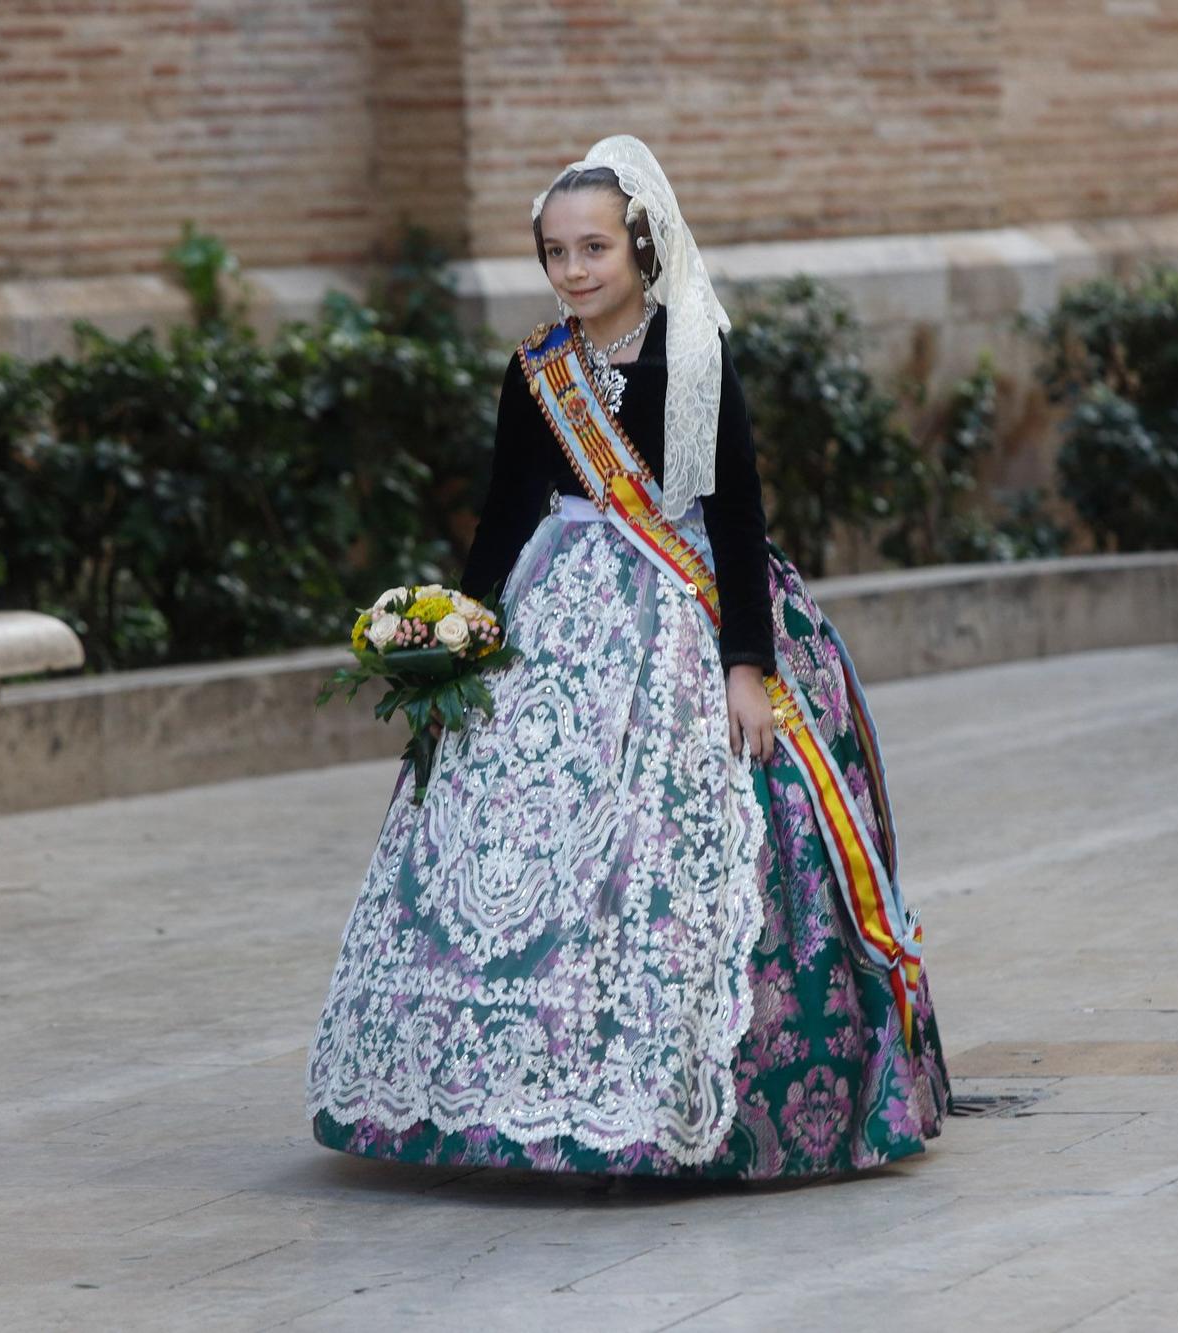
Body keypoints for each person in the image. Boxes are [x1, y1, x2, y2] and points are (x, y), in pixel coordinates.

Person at [304, 135, 948, 1179]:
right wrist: (456, 642)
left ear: (642, 245)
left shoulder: (692, 354)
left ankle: (678, 1095)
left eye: (594, 247)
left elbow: (733, 514)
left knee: (663, 847)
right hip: (554, 619)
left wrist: (747, 666)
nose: (574, 270)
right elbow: (507, 512)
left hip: (685, 619)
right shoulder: (535, 371)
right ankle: (495, 1093)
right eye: (556, 252)